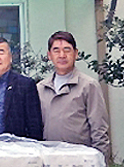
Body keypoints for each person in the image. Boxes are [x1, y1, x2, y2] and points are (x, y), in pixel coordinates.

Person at [37, 31, 109, 159]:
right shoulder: (41, 88)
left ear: (76, 53)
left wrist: (100, 163)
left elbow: (99, 129)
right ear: (49, 55)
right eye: (56, 50)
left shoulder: (88, 85)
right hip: (49, 159)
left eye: (67, 50)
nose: (62, 55)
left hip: (80, 159)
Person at [0, 37, 43, 142]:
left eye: (1, 52)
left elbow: (34, 124)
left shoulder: (25, 85)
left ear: (10, 57)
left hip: (14, 149)